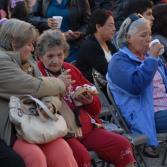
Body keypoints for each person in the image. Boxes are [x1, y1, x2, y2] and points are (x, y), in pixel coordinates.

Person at [36, 29, 136, 167]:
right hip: (63, 133)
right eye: (50, 56)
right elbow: (42, 108)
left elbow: (95, 107)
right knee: (81, 156)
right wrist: (58, 86)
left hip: (87, 127)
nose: (56, 60)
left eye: (59, 55)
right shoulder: (37, 74)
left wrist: (89, 100)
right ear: (40, 57)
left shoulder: (70, 68)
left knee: (122, 144)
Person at [0, 18, 78, 167]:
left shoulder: (28, 61)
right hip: (13, 132)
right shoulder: (2, 61)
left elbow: (49, 92)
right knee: (35, 157)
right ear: (14, 44)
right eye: (29, 44)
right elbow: (33, 86)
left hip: (37, 125)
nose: (32, 49)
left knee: (62, 151)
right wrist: (61, 83)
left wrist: (50, 105)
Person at [107, 14, 164, 157]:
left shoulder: (149, 57)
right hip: (147, 115)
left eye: (150, 34)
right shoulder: (118, 61)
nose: (148, 39)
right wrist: (152, 59)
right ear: (128, 37)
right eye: (143, 35)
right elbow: (136, 86)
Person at [76, 9, 116, 87]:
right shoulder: (90, 46)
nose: (114, 28)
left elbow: (119, 62)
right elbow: (106, 71)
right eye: (110, 25)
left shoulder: (108, 43)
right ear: (98, 27)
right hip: (95, 90)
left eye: (114, 25)